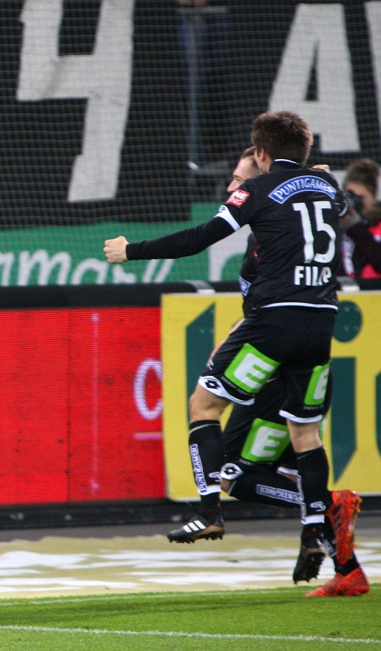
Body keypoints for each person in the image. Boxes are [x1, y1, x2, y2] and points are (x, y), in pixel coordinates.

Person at [104, 111, 360, 583]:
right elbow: (345, 210)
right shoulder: (328, 191)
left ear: (261, 155)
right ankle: (316, 535)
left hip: (273, 324)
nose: (234, 188)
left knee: (203, 404)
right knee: (306, 437)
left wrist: (132, 250)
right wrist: (320, 176)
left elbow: (201, 237)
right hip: (320, 323)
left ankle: (209, 511)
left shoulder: (260, 191)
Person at [341, 159, 381, 280]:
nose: (356, 201)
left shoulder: (377, 226)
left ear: (374, 198)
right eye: (351, 195)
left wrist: (354, 226)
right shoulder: (334, 224)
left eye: (361, 197)